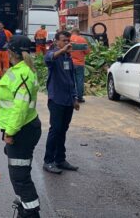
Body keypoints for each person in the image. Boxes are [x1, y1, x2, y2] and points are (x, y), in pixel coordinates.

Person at [0, 35, 42, 218]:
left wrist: (10, 132)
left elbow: (20, 108)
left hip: (21, 130)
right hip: (24, 128)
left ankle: (30, 212)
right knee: (21, 173)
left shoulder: (22, 73)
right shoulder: (22, 69)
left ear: (11, 53)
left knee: (20, 177)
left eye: (8, 50)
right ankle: (26, 206)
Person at [43, 31, 80, 174]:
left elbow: (71, 80)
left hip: (68, 101)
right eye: (64, 40)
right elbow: (48, 59)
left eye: (68, 40)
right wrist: (62, 51)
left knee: (63, 130)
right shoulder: (53, 55)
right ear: (57, 42)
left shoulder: (67, 58)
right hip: (56, 100)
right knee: (55, 130)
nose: (67, 43)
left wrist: (75, 98)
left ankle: (60, 159)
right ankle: (48, 161)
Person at [70, 27, 90, 103]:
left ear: (72, 32)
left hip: (70, 63)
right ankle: (80, 97)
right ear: (78, 33)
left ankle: (72, 96)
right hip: (79, 63)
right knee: (79, 80)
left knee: (71, 80)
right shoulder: (82, 40)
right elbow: (87, 52)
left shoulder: (68, 39)